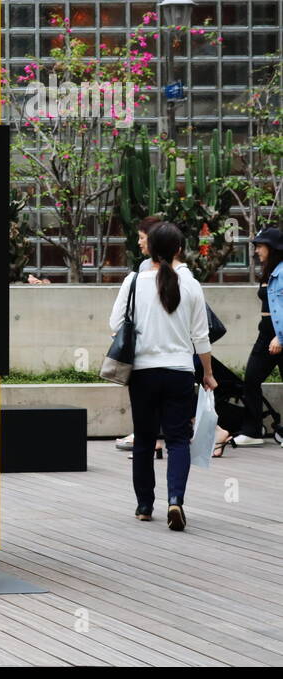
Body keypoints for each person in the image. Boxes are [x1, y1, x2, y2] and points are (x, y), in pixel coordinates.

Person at [108, 222, 215, 531]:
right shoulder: (191, 284)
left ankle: (144, 506)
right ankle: (175, 500)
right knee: (178, 439)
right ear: (179, 250)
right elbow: (202, 337)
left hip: (142, 372)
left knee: (144, 438)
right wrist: (207, 373)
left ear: (148, 248)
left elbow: (115, 323)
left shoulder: (133, 282)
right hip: (180, 372)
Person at [116, 216, 168, 455]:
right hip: (175, 357)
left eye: (142, 238)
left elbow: (118, 319)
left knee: (152, 404)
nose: (138, 242)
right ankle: (151, 438)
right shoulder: (183, 274)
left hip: (150, 356)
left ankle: (149, 438)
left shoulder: (142, 275)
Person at [234, 227, 283, 449]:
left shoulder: (282, 271)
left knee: (251, 379)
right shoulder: (270, 270)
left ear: (272, 249)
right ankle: (253, 430)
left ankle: (254, 429)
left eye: (260, 246)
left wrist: (280, 337)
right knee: (251, 379)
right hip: (266, 334)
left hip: (278, 334)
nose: (256, 251)